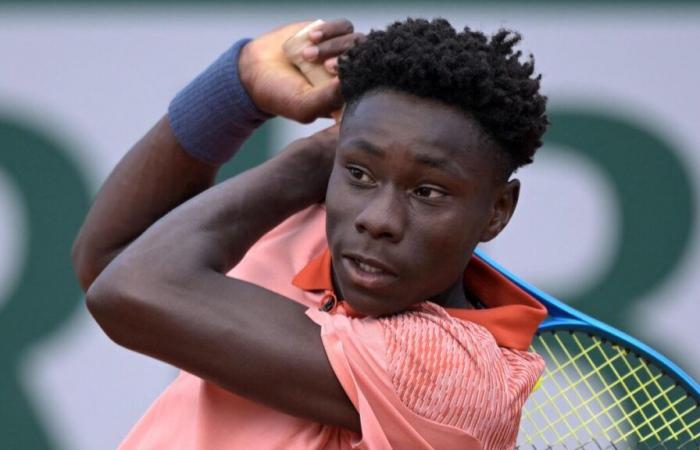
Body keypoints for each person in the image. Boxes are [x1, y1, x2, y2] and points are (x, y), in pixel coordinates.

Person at [72, 17, 548, 450]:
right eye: (360, 175)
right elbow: (107, 263)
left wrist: (321, 155)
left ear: (498, 210)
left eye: (427, 191)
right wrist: (237, 89)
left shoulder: (461, 377)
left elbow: (127, 288)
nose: (378, 219)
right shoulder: (306, 233)